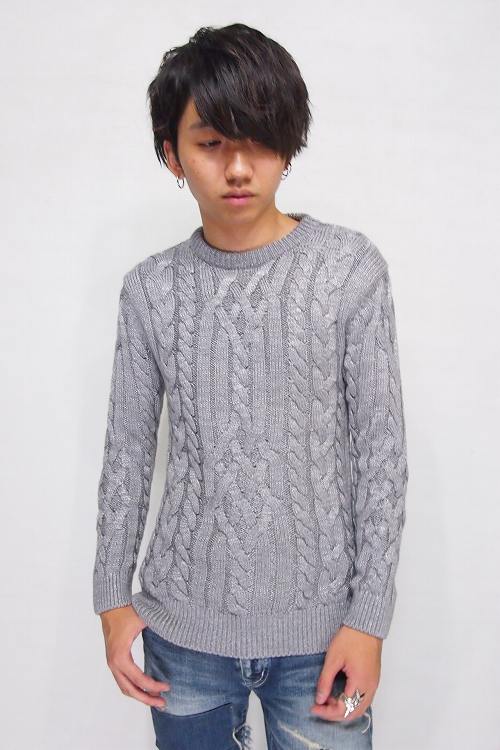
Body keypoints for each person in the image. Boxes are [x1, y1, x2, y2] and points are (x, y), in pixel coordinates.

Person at [92, 22, 409, 750]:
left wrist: (368, 620)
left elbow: (382, 456)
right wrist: (110, 598)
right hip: (182, 636)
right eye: (210, 143)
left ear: (288, 145)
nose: (237, 168)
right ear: (172, 153)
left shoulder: (349, 270)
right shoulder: (150, 290)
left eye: (259, 142)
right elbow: (127, 455)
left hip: (324, 636)